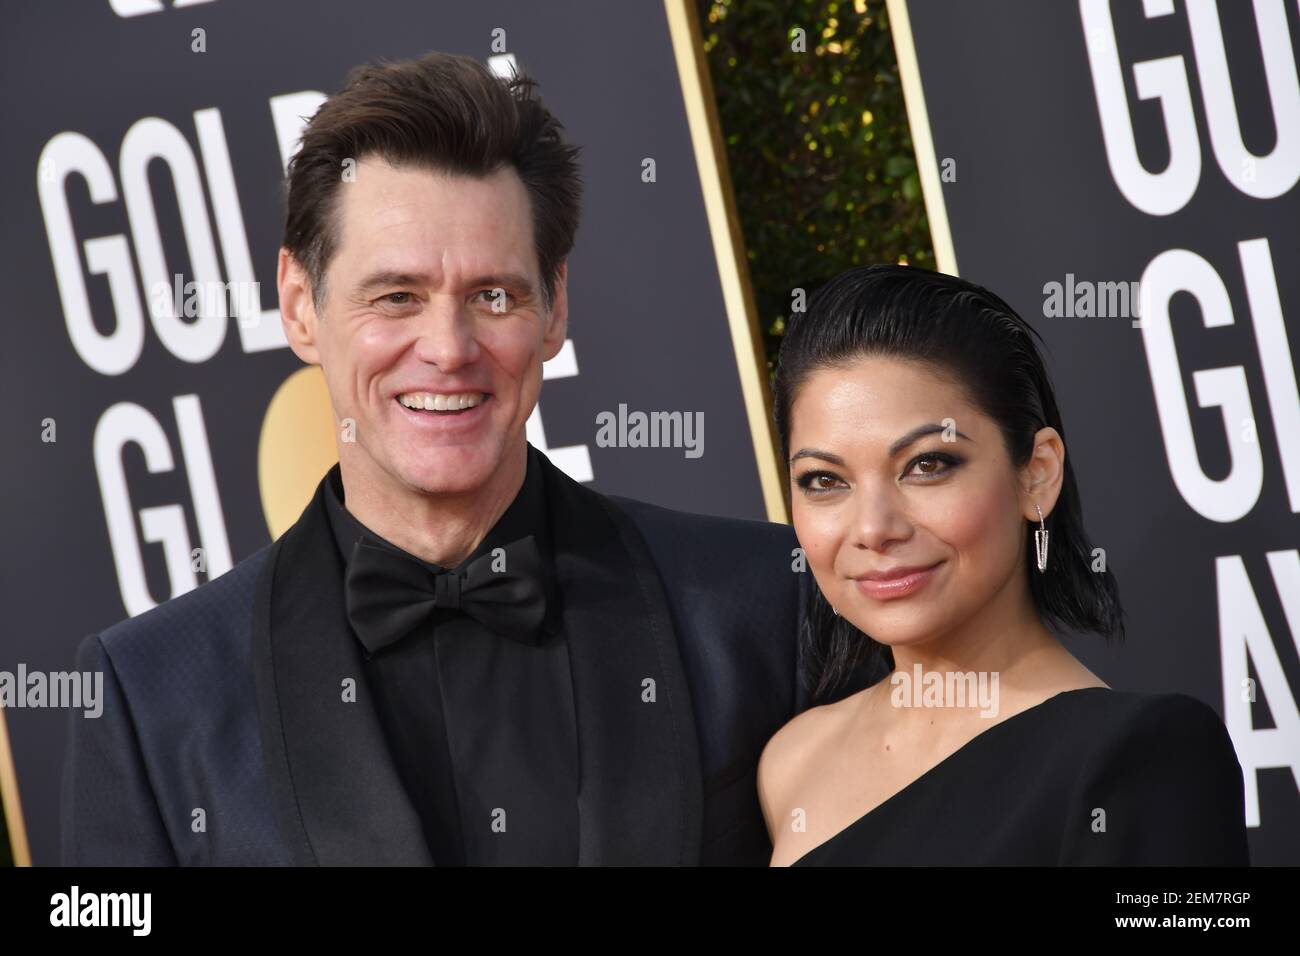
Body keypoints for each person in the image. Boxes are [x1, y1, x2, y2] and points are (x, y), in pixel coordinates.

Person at [61, 51, 818, 866]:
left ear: (555, 308)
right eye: (396, 297)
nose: (449, 350)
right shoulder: (148, 697)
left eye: (494, 296)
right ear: (298, 305)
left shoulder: (762, 607)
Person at [758, 265, 1251, 866]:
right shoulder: (792, 763)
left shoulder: (1145, 758)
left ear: (1036, 472)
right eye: (824, 480)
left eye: (928, 465)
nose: (873, 528)